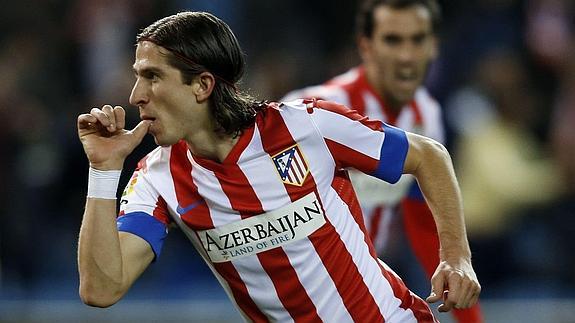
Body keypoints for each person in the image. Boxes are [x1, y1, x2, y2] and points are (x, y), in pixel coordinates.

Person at [76, 11, 480, 322]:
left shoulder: (306, 126)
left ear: (202, 85)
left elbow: (428, 155)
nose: (135, 95)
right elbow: (102, 288)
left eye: (152, 77)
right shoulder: (157, 178)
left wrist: (457, 256)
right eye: (137, 77)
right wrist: (103, 170)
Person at [282, 0, 483, 321]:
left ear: (434, 47)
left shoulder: (425, 115)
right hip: (303, 294)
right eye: (392, 40)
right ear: (366, 46)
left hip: (368, 286)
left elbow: (423, 220)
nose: (406, 56)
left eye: (418, 40)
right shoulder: (311, 111)